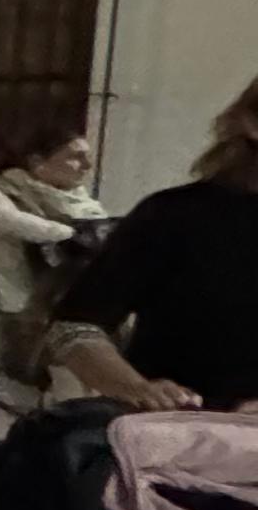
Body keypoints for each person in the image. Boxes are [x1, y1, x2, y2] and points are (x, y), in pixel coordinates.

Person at [43, 74, 258, 415]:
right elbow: (75, 326)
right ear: (250, 124)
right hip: (180, 442)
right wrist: (135, 387)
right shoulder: (175, 216)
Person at [0, 122, 110, 393]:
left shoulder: (87, 206)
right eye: (75, 156)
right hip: (6, 314)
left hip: (62, 316)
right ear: (37, 160)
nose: (87, 165)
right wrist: (65, 233)